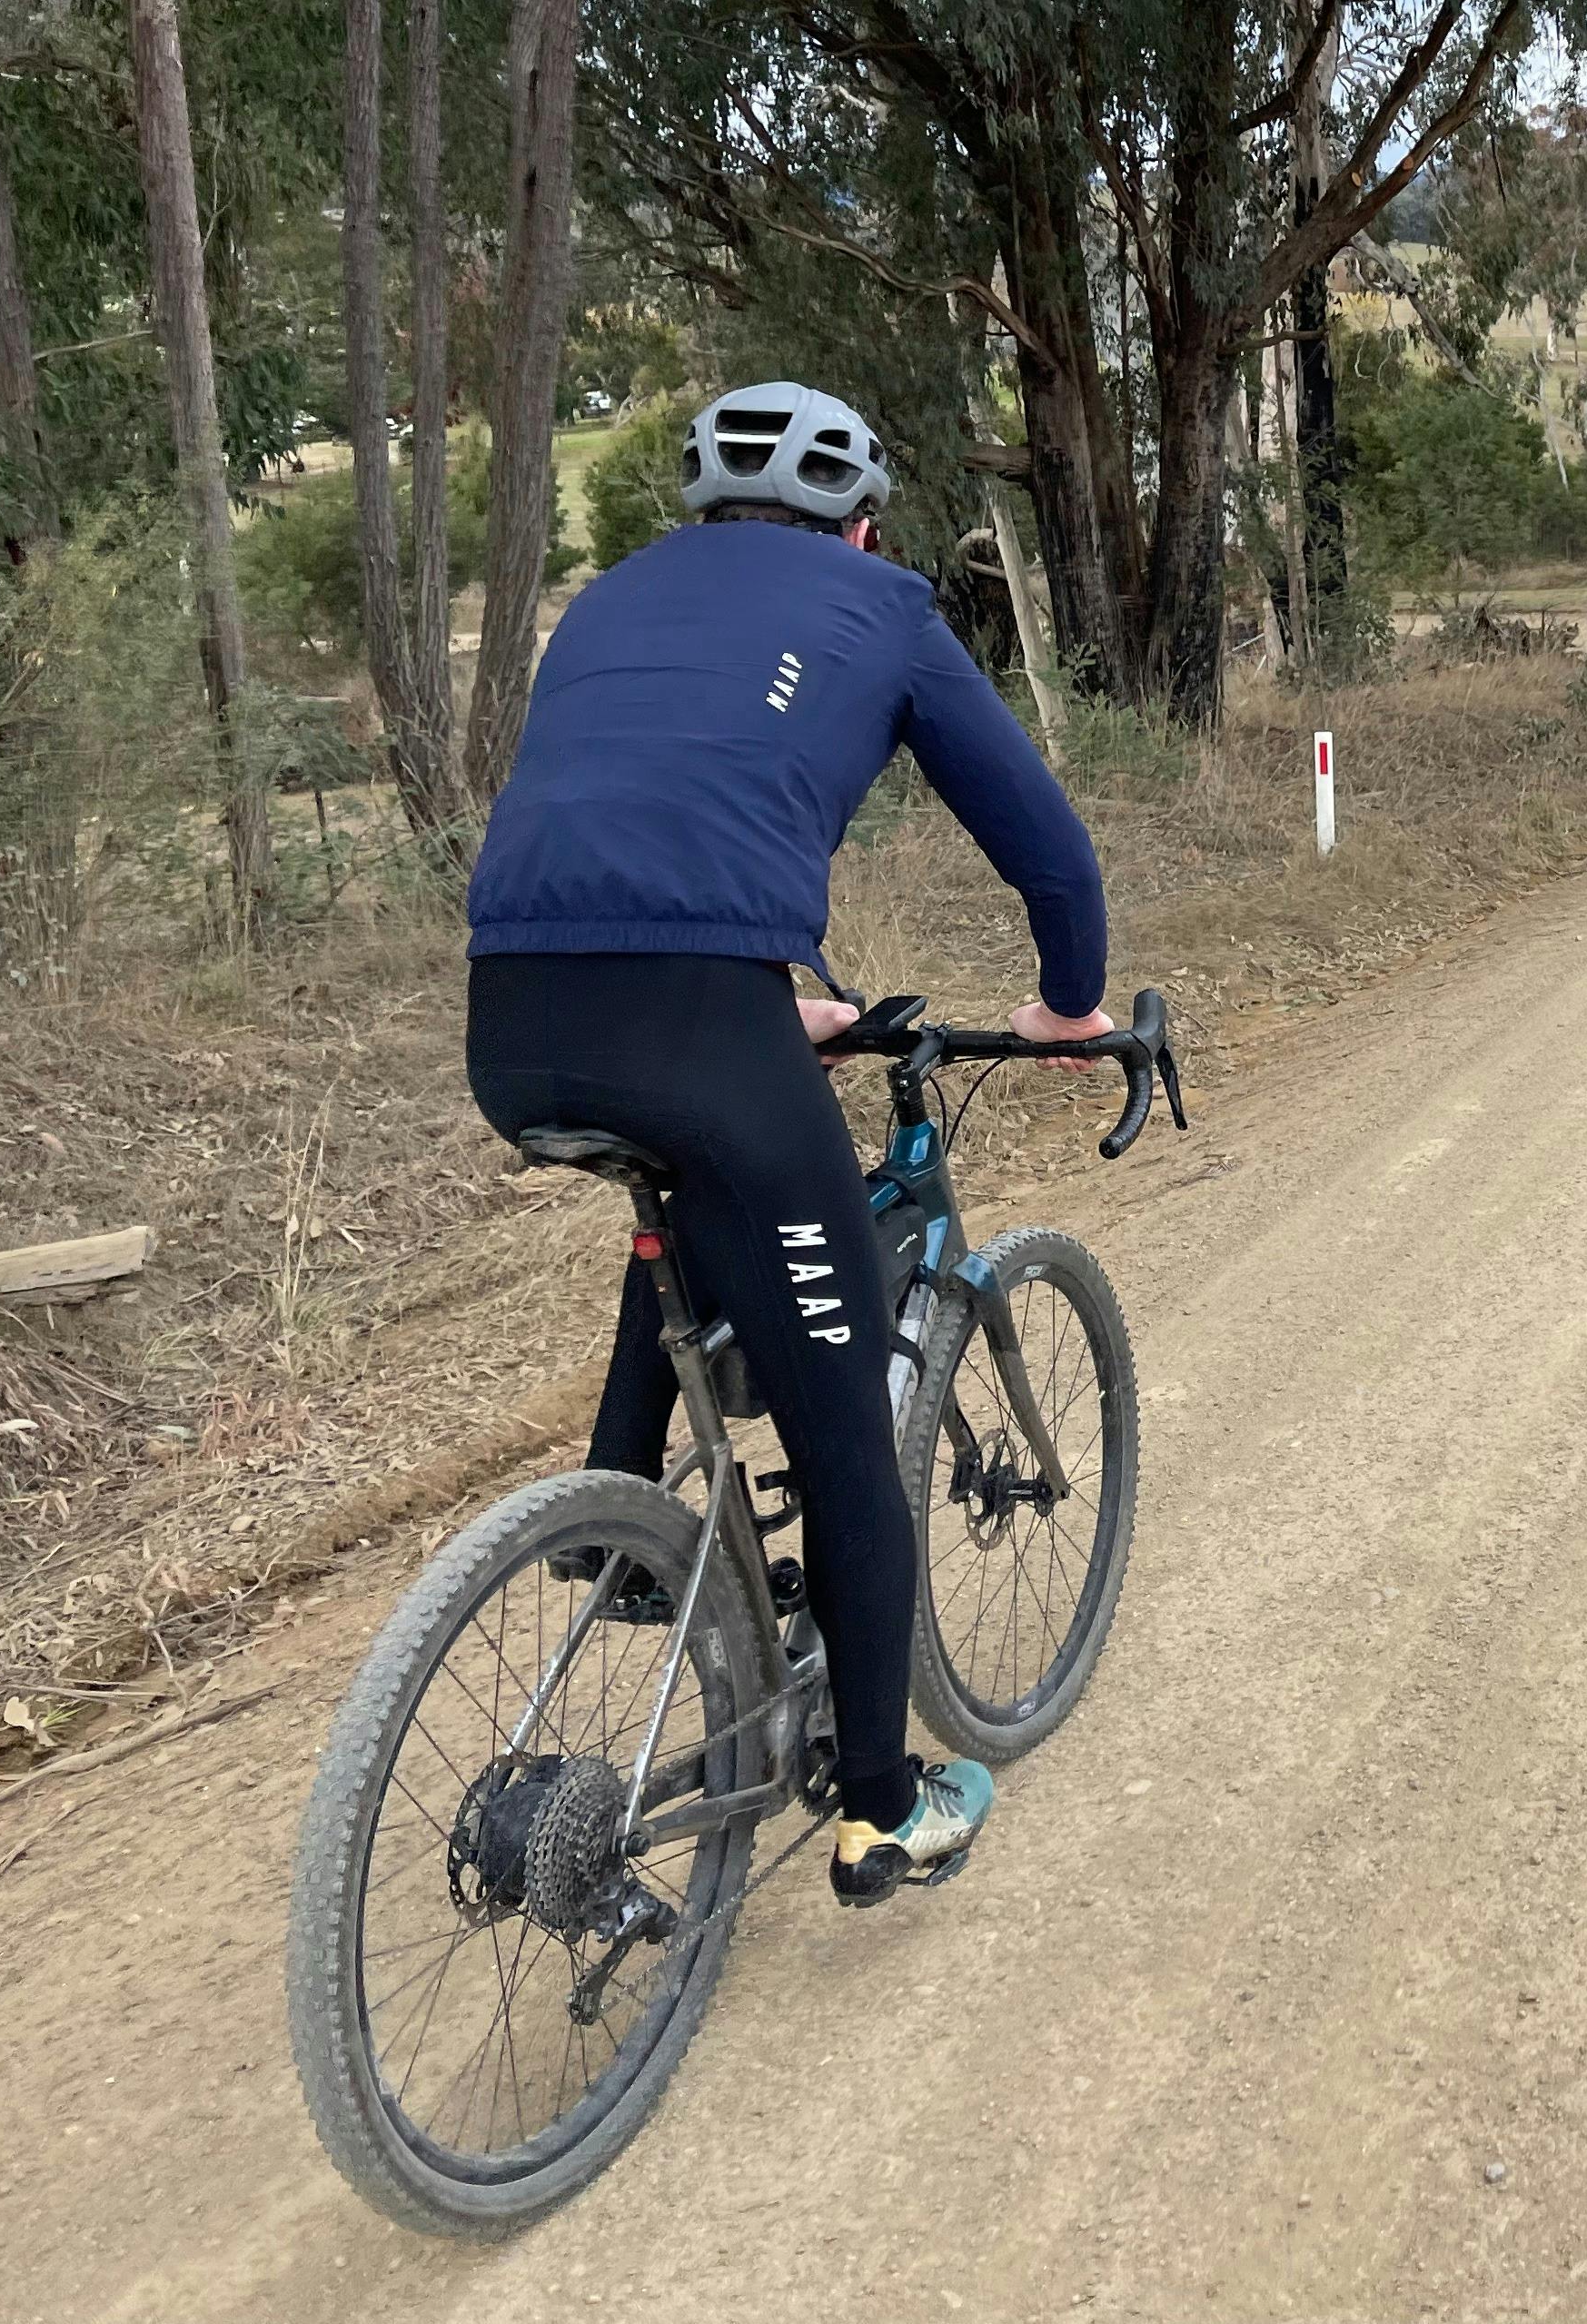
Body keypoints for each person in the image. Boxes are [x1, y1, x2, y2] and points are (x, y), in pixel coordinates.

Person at [463, 380, 1110, 1904]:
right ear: (865, 522)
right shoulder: (882, 603)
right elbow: (1048, 849)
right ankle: (882, 1810)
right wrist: (1070, 1007)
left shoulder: (609, 597)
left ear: (698, 514)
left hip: (512, 1015)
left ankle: (612, 1527)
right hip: (698, 1015)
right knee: (842, 1437)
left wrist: (768, 1006)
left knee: (692, 1171)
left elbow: (642, 819)